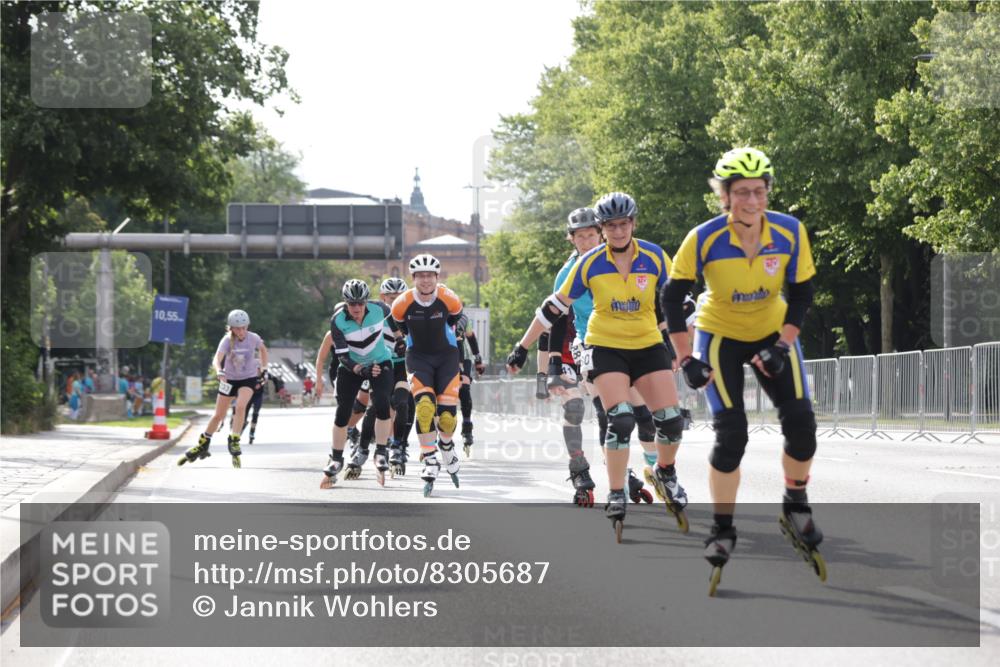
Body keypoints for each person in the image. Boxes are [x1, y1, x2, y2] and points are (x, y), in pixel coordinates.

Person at [660, 147, 823, 594]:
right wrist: (685, 359)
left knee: (802, 424)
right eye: (741, 192)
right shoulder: (703, 238)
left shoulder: (790, 231)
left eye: (758, 191)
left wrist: (783, 344)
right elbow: (671, 298)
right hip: (721, 336)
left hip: (772, 331)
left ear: (768, 192)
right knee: (732, 434)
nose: (751, 200)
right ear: (725, 196)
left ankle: (795, 503)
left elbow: (803, 294)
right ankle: (722, 528)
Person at [506, 192, 687, 542]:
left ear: (633, 224)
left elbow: (677, 303)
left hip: (647, 342)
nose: (617, 232)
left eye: (624, 224)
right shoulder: (587, 264)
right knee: (619, 418)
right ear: (603, 229)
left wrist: (689, 351)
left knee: (670, 419)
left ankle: (665, 472)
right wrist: (522, 347)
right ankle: (616, 491)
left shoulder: (654, 256)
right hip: (602, 344)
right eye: (610, 226)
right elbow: (553, 309)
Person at [390, 254, 464, 497]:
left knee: (447, 419)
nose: (425, 280)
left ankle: (447, 445)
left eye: (429, 275)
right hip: (418, 358)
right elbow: (399, 324)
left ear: (437, 277)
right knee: (423, 407)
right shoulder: (401, 303)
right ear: (413, 278)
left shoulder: (448, 297)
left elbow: (456, 318)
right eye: (420, 276)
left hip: (447, 357)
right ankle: (430, 459)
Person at [315, 279, 396, 487]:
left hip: (380, 361)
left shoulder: (380, 309)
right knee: (343, 411)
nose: (357, 308)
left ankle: (381, 451)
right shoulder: (337, 321)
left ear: (367, 301)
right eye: (352, 304)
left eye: (360, 303)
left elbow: (397, 326)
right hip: (351, 366)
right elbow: (342, 356)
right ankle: (336, 458)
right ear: (345, 303)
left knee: (382, 402)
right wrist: (361, 369)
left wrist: (401, 341)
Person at [178, 309, 268, 468]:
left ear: (247, 326)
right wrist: (219, 371)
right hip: (229, 380)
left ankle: (234, 439)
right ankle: (203, 443)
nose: (241, 332)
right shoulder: (227, 340)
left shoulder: (253, 338)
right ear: (231, 328)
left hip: (248, 378)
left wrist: (264, 368)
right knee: (218, 415)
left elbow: (263, 350)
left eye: (244, 328)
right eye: (237, 329)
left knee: (241, 406)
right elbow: (216, 359)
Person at [453, 312, 485, 457]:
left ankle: (467, 428)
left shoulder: (463, 318)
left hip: (463, 357)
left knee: (464, 389)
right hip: (444, 357)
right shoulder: (435, 313)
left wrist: (478, 359)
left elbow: (471, 337)